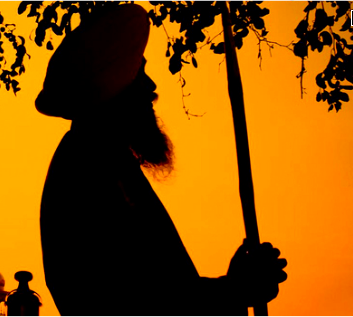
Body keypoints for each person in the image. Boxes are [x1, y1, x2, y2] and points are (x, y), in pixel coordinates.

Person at [35, 4, 288, 316]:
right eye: (139, 74)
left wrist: (233, 288)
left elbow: (163, 287)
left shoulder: (105, 161)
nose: (151, 87)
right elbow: (135, 299)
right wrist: (234, 290)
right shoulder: (89, 167)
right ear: (113, 89)